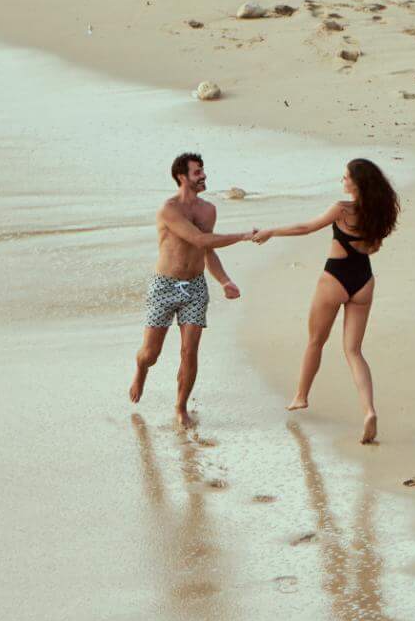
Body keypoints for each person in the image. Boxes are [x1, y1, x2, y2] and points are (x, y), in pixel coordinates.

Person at [255, 157, 400, 444]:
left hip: (335, 279)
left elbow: (305, 228)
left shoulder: (342, 209)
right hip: (364, 282)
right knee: (354, 351)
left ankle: (300, 396)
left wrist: (271, 231)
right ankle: (369, 410)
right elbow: (373, 247)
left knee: (315, 341)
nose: (342, 181)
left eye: (346, 177)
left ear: (357, 183)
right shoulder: (379, 215)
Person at [129, 152, 262, 424]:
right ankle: (141, 369)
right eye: (197, 172)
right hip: (165, 286)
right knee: (150, 354)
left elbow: (207, 249)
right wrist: (243, 236)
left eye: (203, 171)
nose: (204, 176)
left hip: (195, 287)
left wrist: (224, 280)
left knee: (189, 350)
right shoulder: (169, 210)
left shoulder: (208, 210)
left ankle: (180, 407)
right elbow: (199, 239)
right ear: (182, 177)